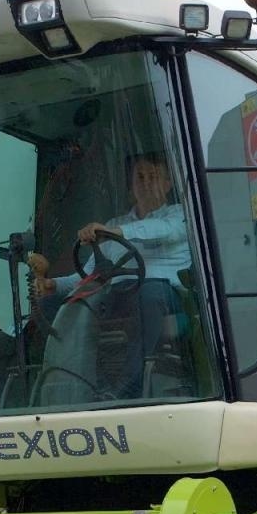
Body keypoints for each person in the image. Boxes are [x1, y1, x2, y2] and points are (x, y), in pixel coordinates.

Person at [27, 152, 192, 401]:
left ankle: (129, 387)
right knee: (56, 305)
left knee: (149, 294)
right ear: (131, 184)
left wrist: (114, 231)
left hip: (163, 296)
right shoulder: (116, 223)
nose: (146, 183)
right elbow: (89, 274)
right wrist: (53, 285)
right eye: (140, 177)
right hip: (118, 296)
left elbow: (163, 231)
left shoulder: (179, 214)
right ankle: (71, 385)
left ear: (168, 184)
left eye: (153, 177)